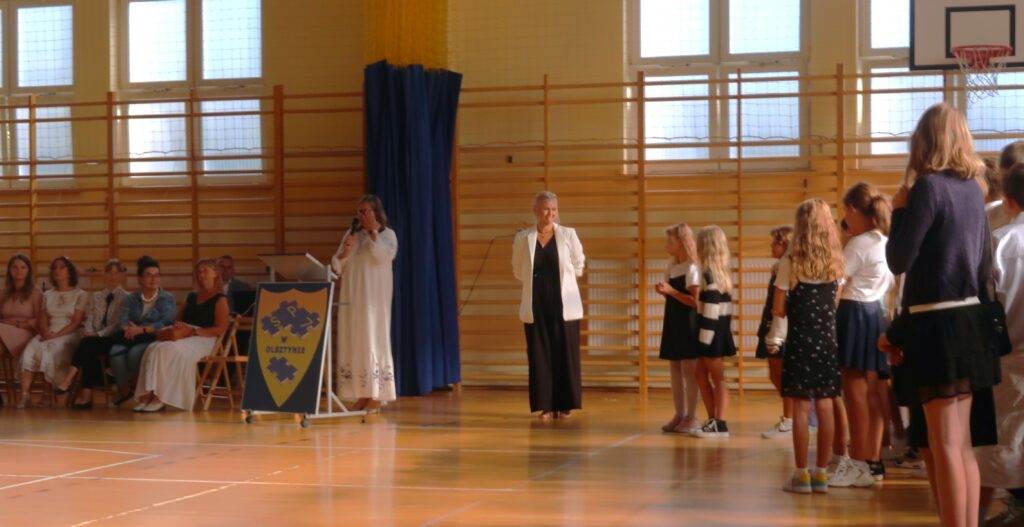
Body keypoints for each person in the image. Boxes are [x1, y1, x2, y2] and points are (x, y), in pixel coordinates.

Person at [885, 103, 1000, 527]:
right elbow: (985, 266)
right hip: (969, 320)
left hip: (936, 323)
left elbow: (899, 259)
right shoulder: (976, 188)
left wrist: (898, 210)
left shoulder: (928, 188)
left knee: (945, 444)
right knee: (963, 443)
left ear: (924, 141)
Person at [768, 199, 845, 494]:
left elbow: (778, 307)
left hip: (800, 340)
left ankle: (801, 474)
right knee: (825, 404)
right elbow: (833, 305)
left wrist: (794, 311)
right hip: (827, 341)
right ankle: (822, 473)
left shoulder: (790, 262)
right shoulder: (836, 261)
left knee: (800, 407)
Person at [834, 182, 895, 486]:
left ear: (854, 211)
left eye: (846, 211)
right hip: (875, 313)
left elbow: (836, 283)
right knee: (875, 393)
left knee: (855, 393)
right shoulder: (885, 240)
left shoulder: (859, 244)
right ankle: (872, 459)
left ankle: (858, 461)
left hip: (855, 313)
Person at [976, 163, 1024, 527]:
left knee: (1006, 440)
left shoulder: (1003, 241)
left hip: (1008, 354)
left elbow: (986, 304)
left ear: (1007, 200)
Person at [512, 191, 585, 420]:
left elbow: (579, 263)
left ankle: (565, 404)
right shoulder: (523, 238)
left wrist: (565, 282)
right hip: (536, 304)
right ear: (536, 211)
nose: (550, 213)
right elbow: (518, 270)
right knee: (539, 354)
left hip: (564, 304)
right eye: (546, 209)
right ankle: (545, 404)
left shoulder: (568, 234)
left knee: (566, 352)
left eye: (554, 209)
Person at [133, 259, 229, 412]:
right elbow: (179, 318)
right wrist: (180, 328)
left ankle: (161, 397)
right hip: (186, 334)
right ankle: (148, 394)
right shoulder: (191, 296)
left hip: (205, 338)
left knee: (169, 350)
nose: (201, 274)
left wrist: (195, 332)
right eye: (199, 271)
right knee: (154, 347)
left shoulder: (220, 299)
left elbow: (220, 328)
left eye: (205, 271)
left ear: (215, 274)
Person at [332, 194, 399, 412]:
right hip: (352, 297)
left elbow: (381, 258)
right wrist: (344, 253)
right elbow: (337, 267)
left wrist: (373, 235)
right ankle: (360, 394)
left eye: (365, 211)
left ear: (376, 213)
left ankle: (377, 395)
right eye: (358, 211)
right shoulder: (351, 234)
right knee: (354, 340)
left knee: (372, 339)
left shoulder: (388, 235)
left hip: (373, 298)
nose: (360, 215)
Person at [56, 259, 128, 409]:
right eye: (109, 272)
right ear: (104, 274)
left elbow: (117, 324)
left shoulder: (127, 297)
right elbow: (90, 317)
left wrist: (98, 335)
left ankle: (71, 382)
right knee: (87, 345)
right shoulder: (97, 296)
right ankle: (85, 397)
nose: (112, 276)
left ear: (122, 275)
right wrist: (89, 331)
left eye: (116, 273)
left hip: (113, 338)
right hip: (94, 339)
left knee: (88, 344)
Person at [18, 257, 87, 408]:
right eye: (54, 268)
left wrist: (55, 336)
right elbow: (42, 318)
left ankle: (47, 394)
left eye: (62, 267)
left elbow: (76, 322)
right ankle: (25, 395)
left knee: (49, 348)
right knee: (32, 347)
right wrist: (44, 332)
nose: (57, 270)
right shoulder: (48, 294)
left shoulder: (80, 294)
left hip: (69, 333)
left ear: (70, 272)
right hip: (49, 331)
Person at [654, 223, 701, 434]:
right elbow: (672, 292)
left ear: (681, 243)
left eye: (670, 242)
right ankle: (679, 414)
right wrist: (665, 292)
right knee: (674, 368)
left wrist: (671, 292)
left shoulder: (692, 267)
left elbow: (694, 301)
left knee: (689, 371)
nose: (666, 246)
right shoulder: (672, 266)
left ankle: (692, 416)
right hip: (673, 320)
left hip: (688, 322)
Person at [690, 225, 736, 438]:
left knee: (718, 378)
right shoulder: (716, 274)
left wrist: (704, 340)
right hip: (712, 332)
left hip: (711, 333)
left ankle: (721, 422)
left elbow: (711, 309)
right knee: (700, 374)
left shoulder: (710, 275)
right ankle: (712, 419)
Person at [759, 225, 795, 439]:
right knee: (774, 372)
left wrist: (777, 336)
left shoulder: (787, 266)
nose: (772, 246)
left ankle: (789, 419)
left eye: (776, 242)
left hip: (782, 329)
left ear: (786, 244)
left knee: (783, 374)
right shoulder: (778, 266)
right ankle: (788, 417)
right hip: (771, 323)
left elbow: (783, 306)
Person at [0, 254, 43, 370]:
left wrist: (17, 324)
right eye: (15, 267)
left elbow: (40, 320)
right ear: (9, 270)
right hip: (3, 330)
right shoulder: (3, 292)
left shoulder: (35, 292)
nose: (18, 271)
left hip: (26, 331)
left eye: (23, 267)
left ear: (28, 271)